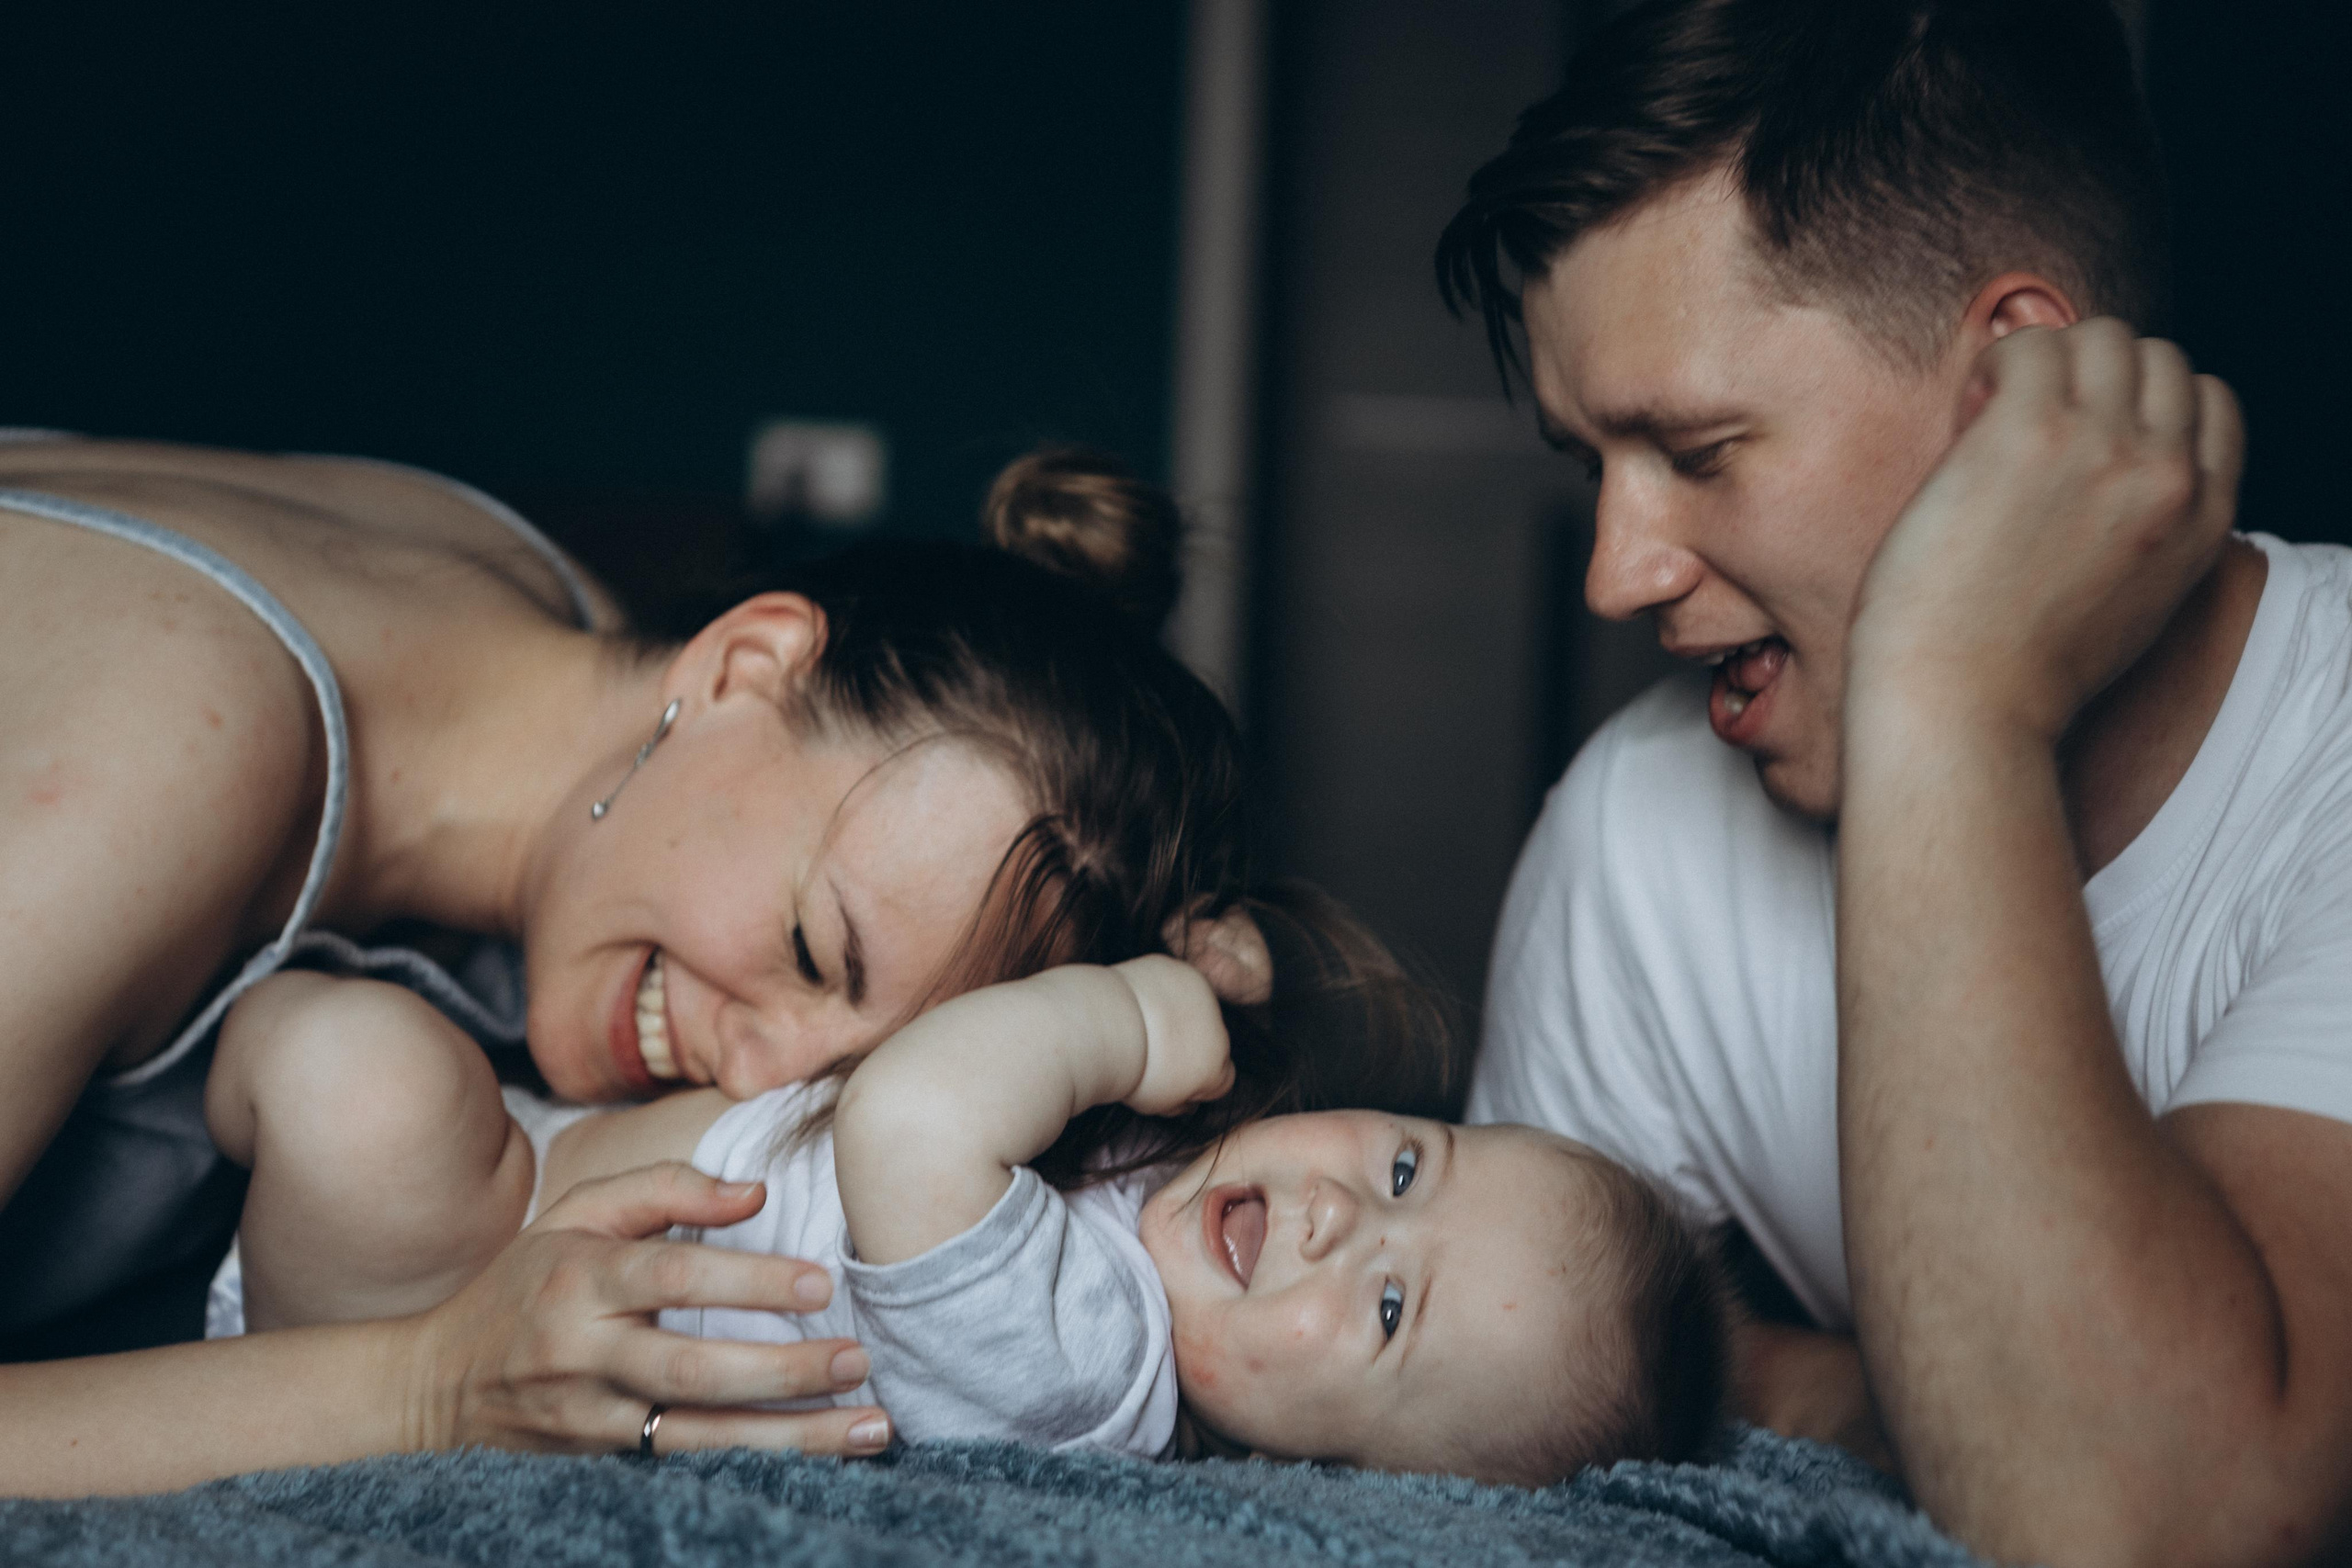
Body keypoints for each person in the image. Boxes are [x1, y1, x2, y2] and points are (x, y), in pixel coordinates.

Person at [1439, 2, 2352, 1564]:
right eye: (1591, 465)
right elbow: (1496, 1429)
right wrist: (1873, 1398)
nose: (1614, 574)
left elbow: (2149, 1522)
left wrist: (1955, 696)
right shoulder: (1637, 831)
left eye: (1699, 450)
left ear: (2022, 392)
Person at [0, 435, 1250, 1495]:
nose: (760, 1071)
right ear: (742, 663)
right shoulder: (162, 762)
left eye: (849, 1068)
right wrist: (426, 1384)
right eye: (814, 952)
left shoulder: (551, 624)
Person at [204, 894, 1727, 1482]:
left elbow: (920, 1117)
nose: (1342, 1217)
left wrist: (1133, 1012)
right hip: (538, 1160)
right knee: (369, 1053)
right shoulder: (1168, 1212)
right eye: (1407, 1165)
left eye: (1392, 1308)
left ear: (1334, 1479)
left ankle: (190, 1072)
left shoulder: (1086, 1378)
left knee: (352, 1069)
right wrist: (1220, 971)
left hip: (461, 1290)